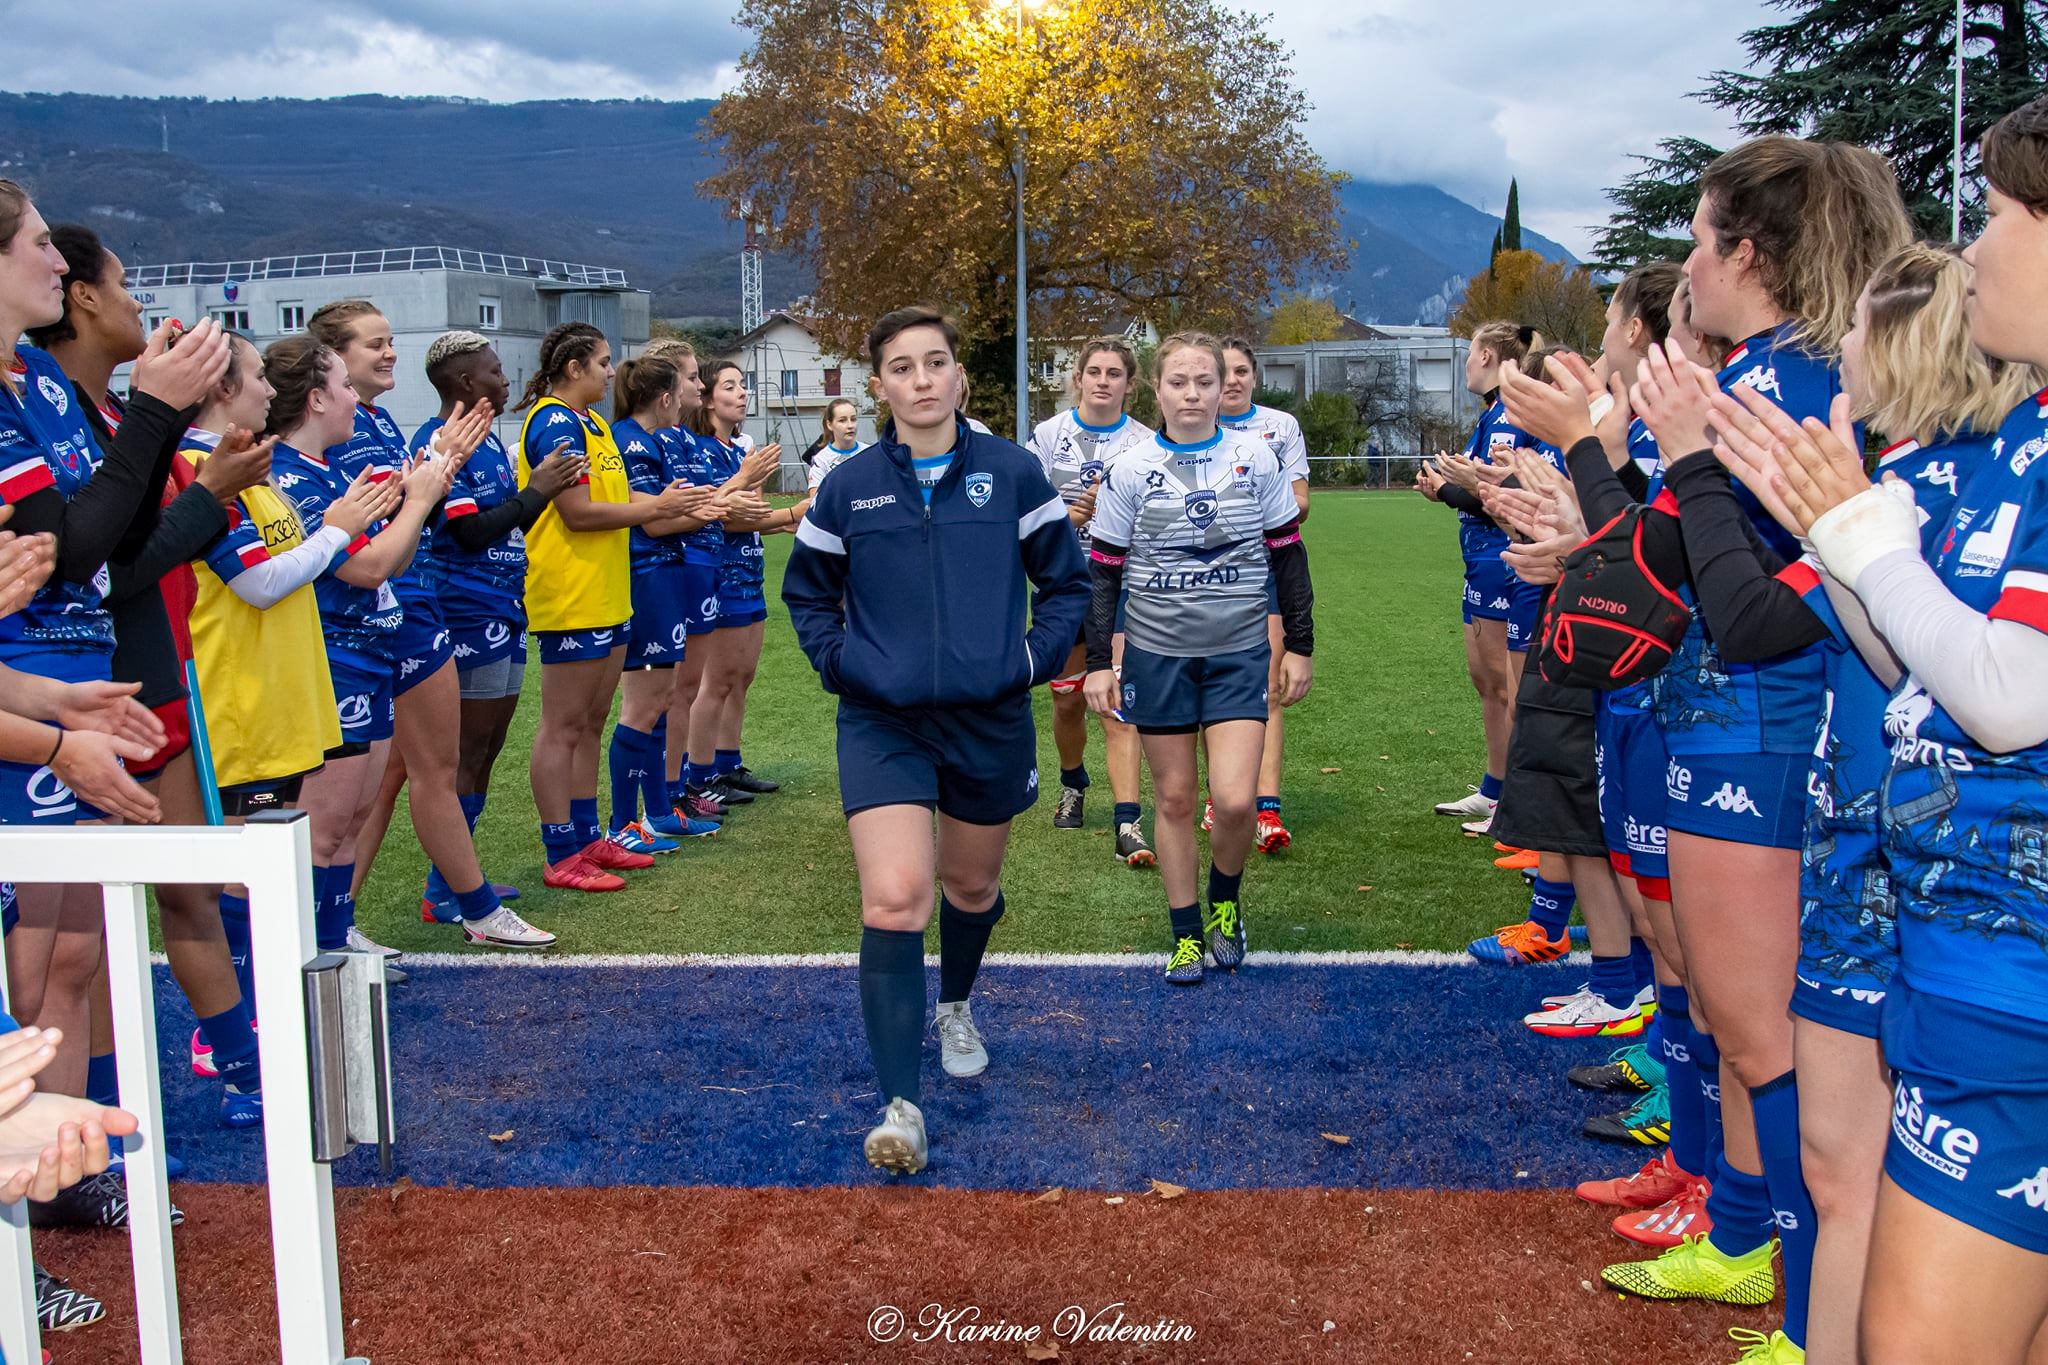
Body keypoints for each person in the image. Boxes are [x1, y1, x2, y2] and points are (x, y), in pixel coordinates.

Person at [1582, 138, 1913, 1365]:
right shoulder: (1783, 372)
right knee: (1760, 1038)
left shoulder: (1769, 384)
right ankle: (1775, 1280)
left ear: (1748, 253)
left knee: (1763, 1041)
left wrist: (1621, 464)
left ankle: (1801, 1316)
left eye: (1697, 240)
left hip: (1756, 735)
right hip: (1746, 729)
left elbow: (1723, 594)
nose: (1686, 267)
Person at [1702, 241, 2038, 1364]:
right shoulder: (1953, 468)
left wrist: (1847, 535)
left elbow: (1995, 696)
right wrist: (1829, 532)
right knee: (1840, 1168)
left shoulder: (1987, 465)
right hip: (1901, 866)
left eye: (1854, 329)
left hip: (1969, 912)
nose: (1839, 347)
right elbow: (1904, 669)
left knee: (1897, 1243)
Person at [782, 305, 1087, 1174]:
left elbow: (1066, 586)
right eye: (901, 367)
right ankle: (901, 1107)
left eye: (935, 362)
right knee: (895, 898)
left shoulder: (1014, 473)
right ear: (879, 386)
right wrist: (844, 664)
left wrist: (1024, 660)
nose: (921, 379)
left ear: (960, 376)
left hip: (989, 717)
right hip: (883, 720)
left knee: (971, 885)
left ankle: (955, 1002)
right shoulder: (848, 486)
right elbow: (807, 593)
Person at [176, 331, 405, 1095]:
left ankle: (262, 1025)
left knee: (266, 873)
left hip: (278, 704)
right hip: (238, 706)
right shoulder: (199, 470)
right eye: (254, 378)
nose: (268, 391)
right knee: (238, 880)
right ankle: (229, 1045)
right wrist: (339, 527)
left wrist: (338, 524)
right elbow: (262, 582)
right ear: (222, 389)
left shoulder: (250, 469)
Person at [1083, 332, 1313, 986]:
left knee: (1236, 801)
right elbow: (1103, 572)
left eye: (1204, 382)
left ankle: (1225, 905)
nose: (1192, 394)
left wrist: (1300, 644)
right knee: (1177, 798)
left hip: (1238, 652)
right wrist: (1099, 660)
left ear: (1222, 388)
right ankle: (1186, 932)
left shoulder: (1256, 457)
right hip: (1157, 656)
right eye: (1179, 382)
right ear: (1157, 390)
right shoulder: (1130, 468)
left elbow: (1288, 555)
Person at [306, 301, 522, 956]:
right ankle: (464, 907)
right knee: (388, 780)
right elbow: (369, 530)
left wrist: (434, 468)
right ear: (332, 359)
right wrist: (430, 477)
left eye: (390, 340)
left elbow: (411, 513)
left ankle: (346, 922)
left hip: (413, 600)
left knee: (401, 774)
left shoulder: (375, 421)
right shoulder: (327, 435)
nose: (390, 352)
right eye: (374, 344)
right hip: (375, 612)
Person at [267, 336, 485, 964]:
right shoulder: (289, 476)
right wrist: (421, 498)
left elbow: (395, 556)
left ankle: (334, 944)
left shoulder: (330, 470)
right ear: (315, 399)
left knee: (352, 818)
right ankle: (302, 958)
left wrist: (422, 493)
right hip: (334, 659)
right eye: (341, 386)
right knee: (324, 826)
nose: (353, 401)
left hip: (369, 653)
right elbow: (366, 569)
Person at [516, 322, 709, 892]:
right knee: (562, 726)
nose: (609, 372)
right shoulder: (553, 421)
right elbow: (577, 513)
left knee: (591, 723)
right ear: (573, 367)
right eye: (601, 362)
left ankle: (586, 836)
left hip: (608, 591)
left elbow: (621, 499)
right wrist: (658, 508)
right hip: (570, 593)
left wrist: (669, 504)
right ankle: (560, 851)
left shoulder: (593, 424)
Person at [413, 330, 581, 944]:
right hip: (465, 611)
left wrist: (534, 494)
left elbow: (505, 525)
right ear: (464, 382)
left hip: (503, 606)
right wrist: (539, 490)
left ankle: (455, 880)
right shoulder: (439, 441)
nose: (506, 379)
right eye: (494, 371)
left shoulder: (487, 442)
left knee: (485, 749)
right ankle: (448, 893)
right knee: (466, 751)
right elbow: (468, 533)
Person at [1027, 337, 1155, 866]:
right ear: (1078, 377)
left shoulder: (1146, 442)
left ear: (1130, 383)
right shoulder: (1047, 436)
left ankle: (1128, 820)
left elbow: (1158, 517)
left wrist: (1118, 516)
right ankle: (1073, 783)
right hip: (1061, 585)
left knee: (1118, 704)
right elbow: (1025, 516)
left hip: (1121, 586)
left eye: (1114, 373)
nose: (1103, 381)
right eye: (1095, 371)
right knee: (1067, 700)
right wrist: (1070, 519)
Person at [1417, 323, 1542, 836]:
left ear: (1487, 355)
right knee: (1488, 681)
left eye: (1470, 353)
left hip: (1501, 556)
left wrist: (1446, 489)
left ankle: (1516, 800)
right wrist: (1447, 488)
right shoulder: (1491, 413)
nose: (1466, 363)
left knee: (1506, 684)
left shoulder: (1509, 416)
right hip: (1481, 558)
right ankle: (1495, 788)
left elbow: (1497, 497)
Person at [607, 353, 726, 850]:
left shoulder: (650, 438)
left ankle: (657, 812)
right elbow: (653, 522)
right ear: (664, 398)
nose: (687, 398)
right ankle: (621, 824)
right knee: (642, 706)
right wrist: (718, 506)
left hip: (665, 574)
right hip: (647, 575)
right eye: (685, 387)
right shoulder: (631, 440)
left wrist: (710, 505)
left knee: (658, 701)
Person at [680, 361, 800, 812]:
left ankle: (728, 763)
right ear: (708, 398)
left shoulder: (736, 452)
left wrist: (784, 520)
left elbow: (751, 517)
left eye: (743, 385)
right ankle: (700, 775)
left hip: (749, 574)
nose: (743, 393)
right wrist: (792, 513)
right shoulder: (700, 449)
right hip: (720, 577)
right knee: (717, 681)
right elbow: (723, 516)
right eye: (730, 386)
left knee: (741, 678)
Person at [1216, 338, 1310, 853]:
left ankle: (1267, 807)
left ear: (1255, 376)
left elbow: (1300, 503)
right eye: (1223, 372)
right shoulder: (1191, 427)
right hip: (1205, 574)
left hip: (1266, 566)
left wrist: (1252, 512)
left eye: (1241, 371)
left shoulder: (1279, 427)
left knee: (1268, 685)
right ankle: (1221, 796)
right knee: (1209, 685)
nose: (1232, 381)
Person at [640, 337, 733, 828]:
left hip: (700, 566)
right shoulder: (647, 438)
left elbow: (707, 503)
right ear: (667, 384)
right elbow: (662, 517)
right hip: (673, 568)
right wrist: (735, 489)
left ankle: (676, 791)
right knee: (669, 692)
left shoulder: (684, 439)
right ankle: (663, 797)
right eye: (693, 376)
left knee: (687, 687)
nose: (700, 384)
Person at [807, 397, 866, 492]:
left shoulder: (870, 452)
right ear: (829, 425)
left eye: (853, 419)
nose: (850, 425)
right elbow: (816, 499)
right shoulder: (821, 461)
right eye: (842, 420)